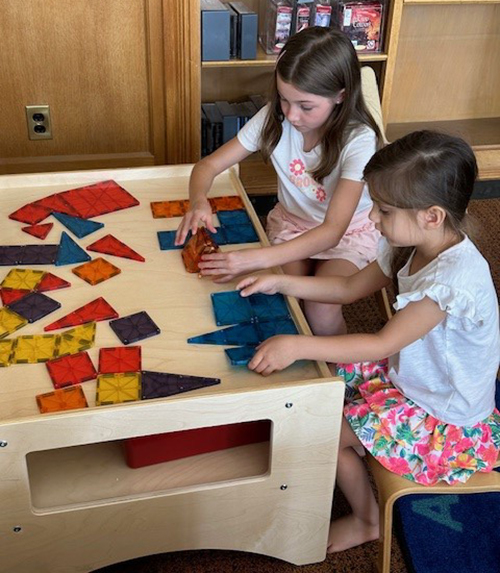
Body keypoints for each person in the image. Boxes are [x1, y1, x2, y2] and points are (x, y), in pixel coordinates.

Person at [236, 131, 500, 552]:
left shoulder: (452, 282)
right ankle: (357, 446)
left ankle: (366, 520)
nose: (372, 218)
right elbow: (347, 289)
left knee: (322, 429)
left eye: (384, 209)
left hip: (442, 417)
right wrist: (281, 280)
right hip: (409, 375)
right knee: (321, 386)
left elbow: (379, 343)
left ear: (432, 216)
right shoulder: (408, 241)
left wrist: (297, 344)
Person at [176, 26, 382, 337]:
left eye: (306, 106)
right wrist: (198, 200)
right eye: (284, 99)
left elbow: (332, 232)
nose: (291, 114)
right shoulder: (275, 117)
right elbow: (207, 166)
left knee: (320, 307)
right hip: (293, 225)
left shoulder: (359, 139)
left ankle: (341, 373)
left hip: (348, 233)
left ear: (341, 96)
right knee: (280, 298)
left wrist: (250, 259)